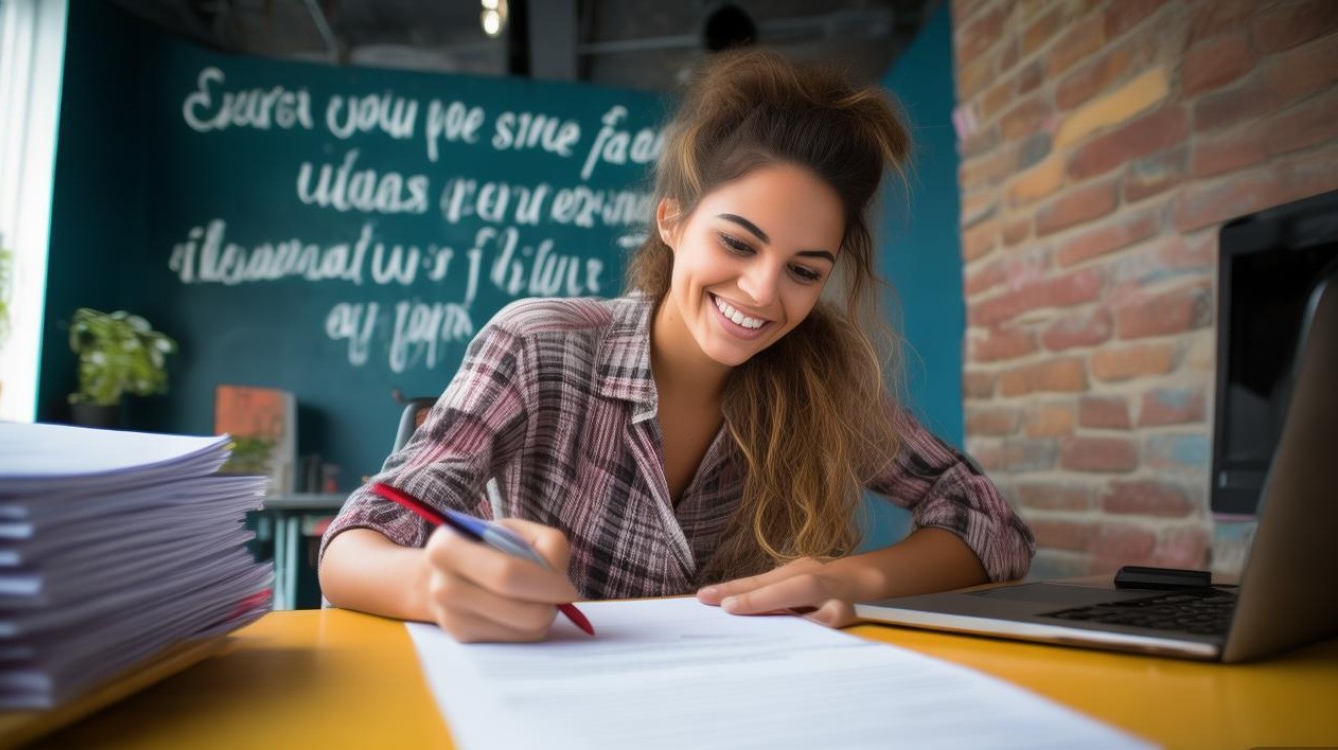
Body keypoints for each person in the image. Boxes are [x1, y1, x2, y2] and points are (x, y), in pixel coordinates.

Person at [318, 49, 1034, 643]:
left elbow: (992, 523)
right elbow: (352, 546)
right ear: (672, 221)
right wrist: (431, 583)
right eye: (736, 242)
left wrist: (855, 579)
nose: (761, 291)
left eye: (804, 271)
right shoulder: (539, 346)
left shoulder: (828, 381)